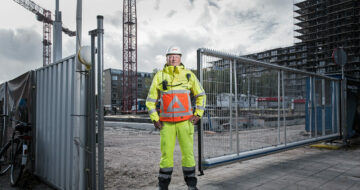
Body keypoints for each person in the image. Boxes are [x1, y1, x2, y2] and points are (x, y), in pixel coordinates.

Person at [146, 46, 206, 190]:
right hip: (166, 124)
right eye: (170, 56)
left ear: (180, 58)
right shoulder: (159, 76)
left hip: (186, 123)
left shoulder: (189, 75)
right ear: (166, 58)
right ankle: (163, 186)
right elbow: (150, 99)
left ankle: (192, 186)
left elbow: (201, 95)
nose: (173, 58)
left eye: (176, 56)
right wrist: (155, 118)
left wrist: (198, 114)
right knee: (166, 155)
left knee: (188, 154)